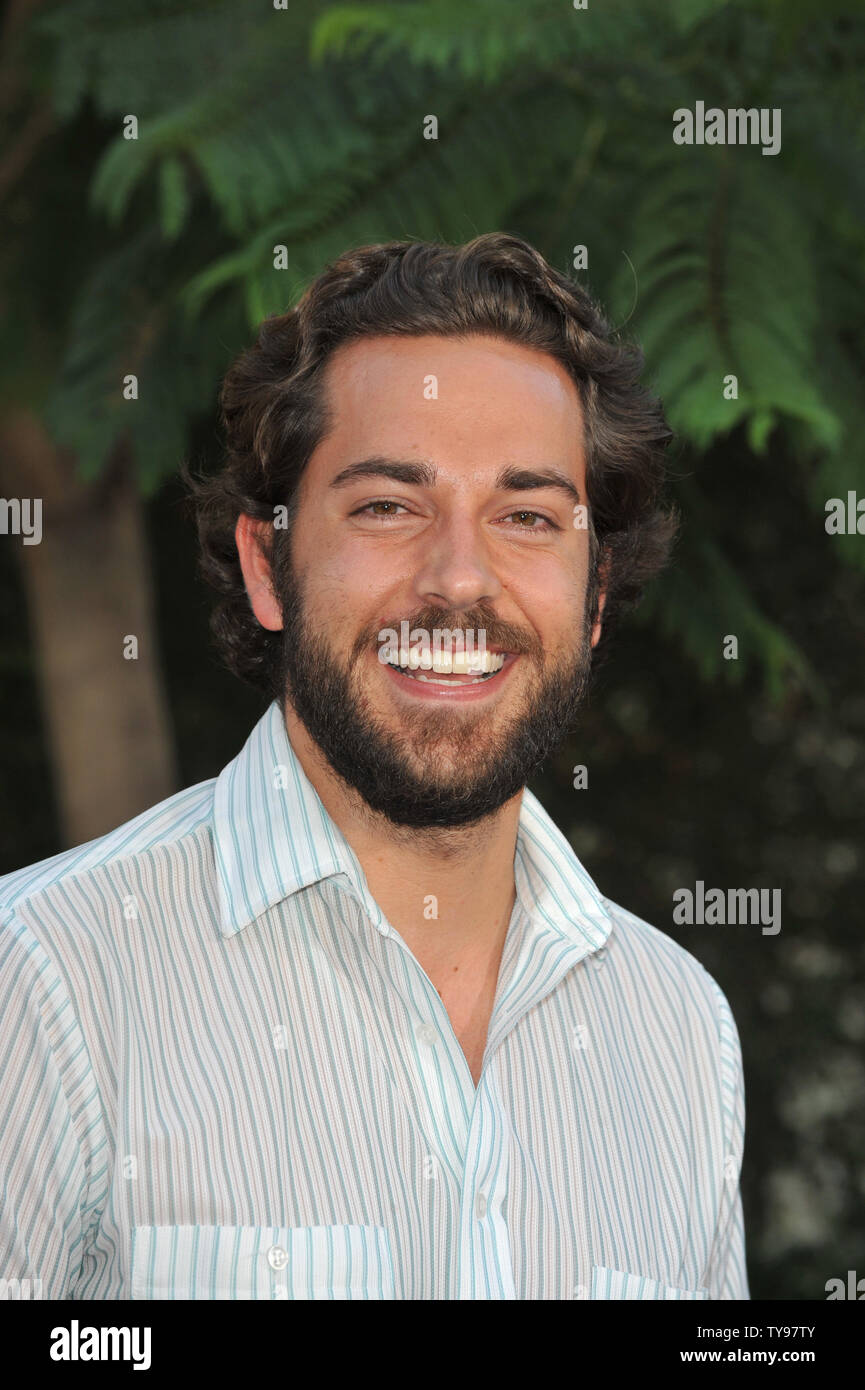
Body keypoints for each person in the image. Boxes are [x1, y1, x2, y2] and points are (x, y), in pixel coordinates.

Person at [0, 233, 748, 1299]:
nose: (459, 579)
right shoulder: (41, 980)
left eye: (528, 516)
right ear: (268, 565)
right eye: (388, 507)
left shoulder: (679, 1034)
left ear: (591, 600)